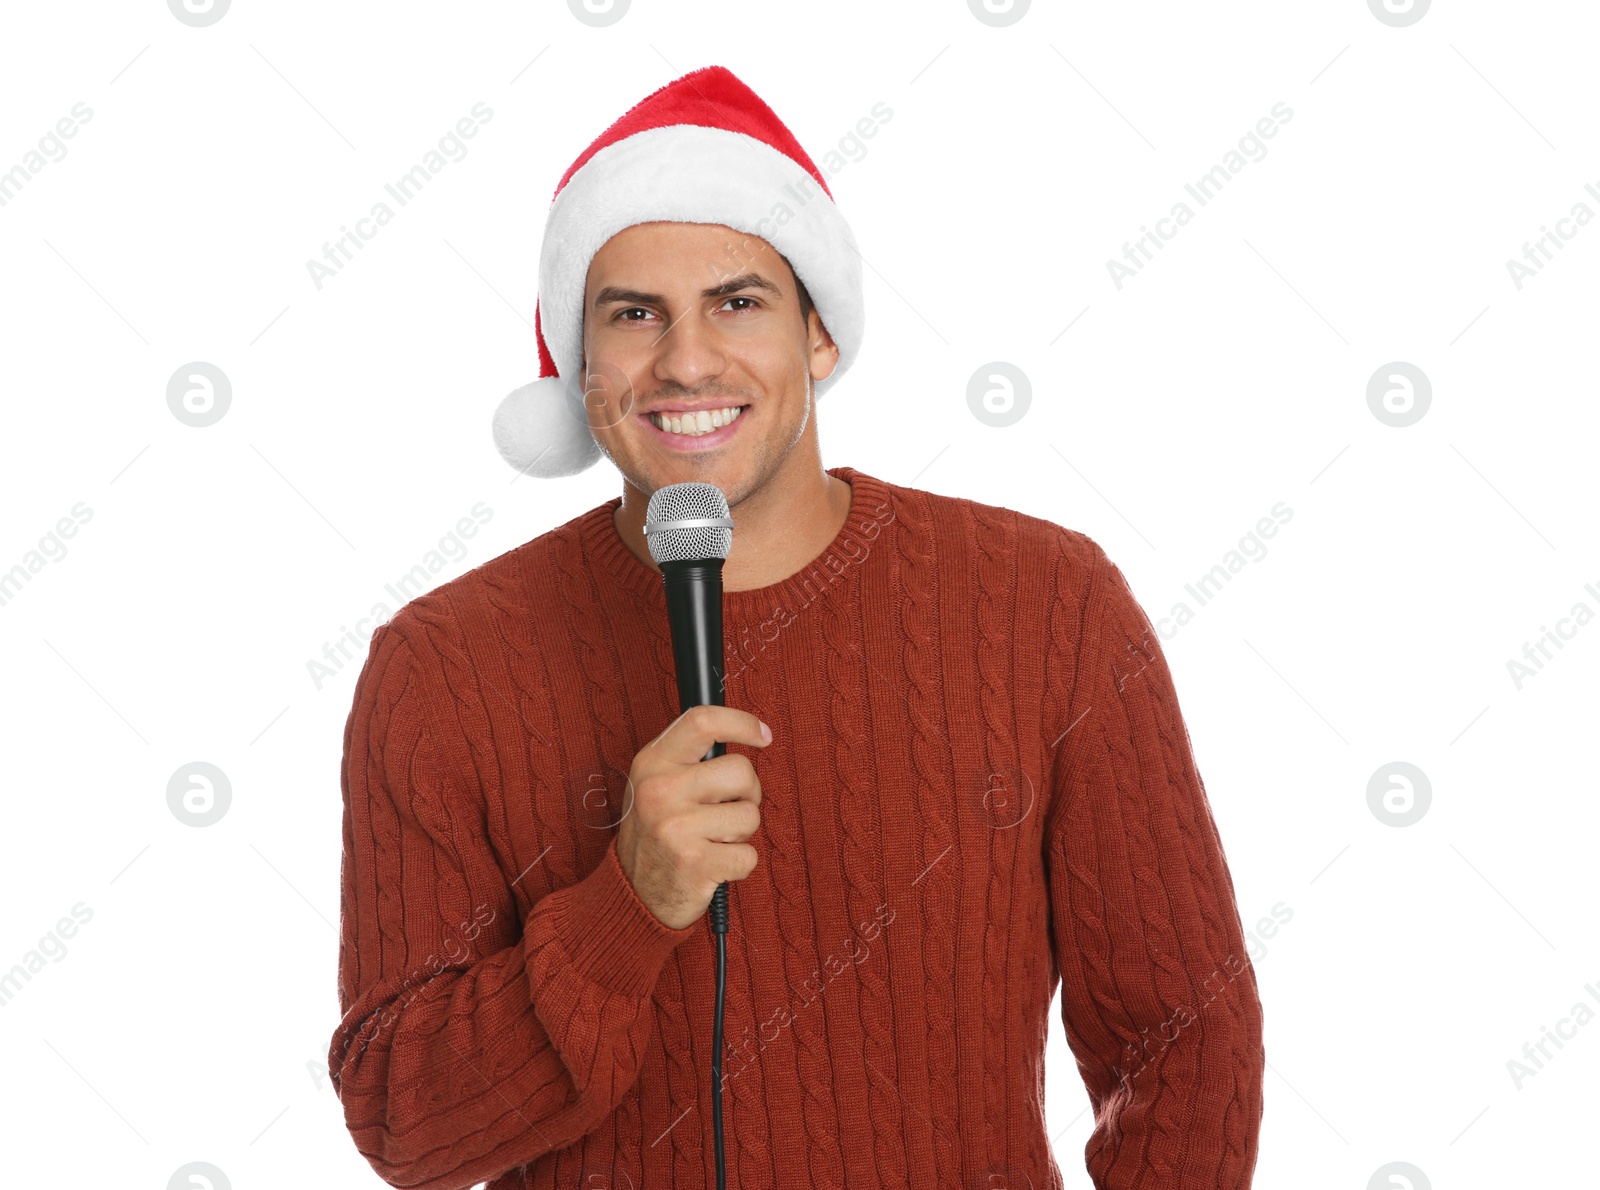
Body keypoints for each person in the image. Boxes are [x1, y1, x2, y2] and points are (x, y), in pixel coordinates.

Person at [328, 64, 1265, 1190]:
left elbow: (1181, 1037)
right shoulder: (444, 666)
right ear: (580, 370)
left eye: (737, 301)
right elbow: (407, 1126)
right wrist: (628, 905)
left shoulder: (1045, 602)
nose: (684, 360)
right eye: (633, 314)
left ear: (819, 338)